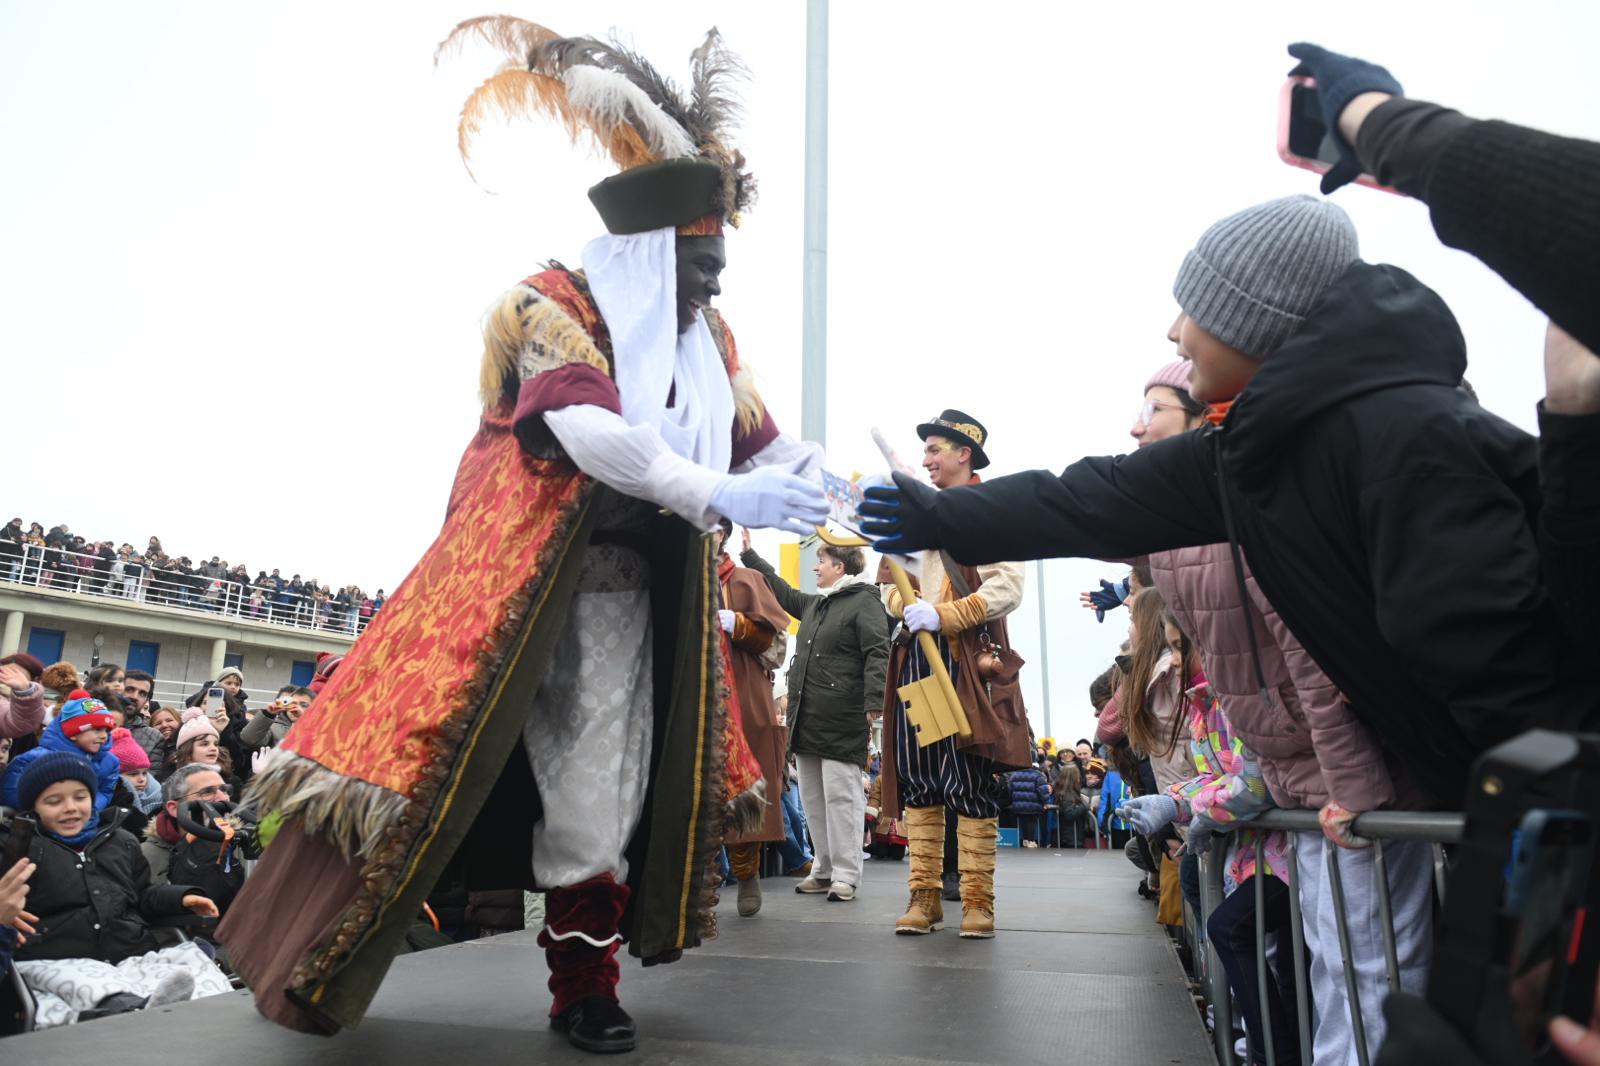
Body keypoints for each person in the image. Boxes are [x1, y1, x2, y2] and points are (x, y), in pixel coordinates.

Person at [218, 21, 828, 1056]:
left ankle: (582, 984)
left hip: (633, 601)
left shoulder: (708, 339)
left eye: (718, 270)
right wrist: (726, 488)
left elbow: (762, 441)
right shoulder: (545, 304)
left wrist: (814, 481)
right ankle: (305, 952)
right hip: (514, 596)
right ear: (647, 249)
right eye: (699, 267)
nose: (712, 290)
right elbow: (594, 438)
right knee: (418, 775)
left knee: (606, 800)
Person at [860, 194, 1587, 812]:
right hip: (1471, 794)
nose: (1175, 331)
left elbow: (1509, 673)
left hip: (1544, 799)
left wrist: (1532, 838)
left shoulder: (1409, 441)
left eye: (1195, 308)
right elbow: (1091, 497)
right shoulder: (1247, 453)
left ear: (1255, 321)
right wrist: (942, 516)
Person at [877, 410, 1030, 940]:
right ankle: (923, 897)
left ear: (964, 453)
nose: (925, 459)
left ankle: (976, 902)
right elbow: (888, 584)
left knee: (969, 783)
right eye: (924, 452)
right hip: (917, 658)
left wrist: (943, 615)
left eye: (935, 449)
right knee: (921, 782)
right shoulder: (914, 517)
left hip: (967, 664)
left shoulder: (992, 514)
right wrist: (904, 604)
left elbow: (1008, 586)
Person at [2, 752, 229, 1028]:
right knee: (92, 983)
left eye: (80, 797)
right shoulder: (20, 850)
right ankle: (134, 1012)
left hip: (126, 952)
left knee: (191, 962)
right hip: (55, 958)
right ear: (33, 808)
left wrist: (180, 898)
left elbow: (141, 894)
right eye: (54, 801)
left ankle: (211, 1010)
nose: (70, 807)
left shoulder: (120, 841)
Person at [741, 531, 889, 903]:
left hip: (842, 716)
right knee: (814, 799)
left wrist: (874, 699)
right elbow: (782, 591)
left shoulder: (864, 602)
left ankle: (846, 874)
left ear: (840, 566)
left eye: (821, 561)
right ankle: (822, 868)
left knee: (842, 798)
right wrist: (751, 556)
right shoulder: (818, 604)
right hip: (807, 717)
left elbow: (876, 650)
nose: (815, 566)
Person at [712, 520, 792, 917]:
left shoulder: (746, 579)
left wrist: (741, 626)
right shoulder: (680, 579)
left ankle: (746, 874)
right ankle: (698, 882)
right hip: (695, 694)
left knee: (744, 786)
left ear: (721, 534)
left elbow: (777, 644)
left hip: (741, 694)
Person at [2, 690, 120, 812]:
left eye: (106, 730)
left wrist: (89, 808)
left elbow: (105, 792)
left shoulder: (110, 762)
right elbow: (10, 791)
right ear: (73, 733)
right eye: (97, 730)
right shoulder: (34, 758)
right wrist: (43, 809)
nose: (104, 736)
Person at [240, 687, 312, 751]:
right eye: (292, 703)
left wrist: (304, 720)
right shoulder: (273, 728)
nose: (296, 707)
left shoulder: (316, 731)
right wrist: (268, 714)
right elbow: (248, 739)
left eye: (303, 705)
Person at [111, 728, 162, 816]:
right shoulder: (111, 804)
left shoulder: (157, 798)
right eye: (133, 774)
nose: (142, 779)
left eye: (144, 773)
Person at [0, 654, 46, 739]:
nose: (7, 680)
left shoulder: (34, 709)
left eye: (16, 677)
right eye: (3, 674)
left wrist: (24, 691)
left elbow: (20, 724)